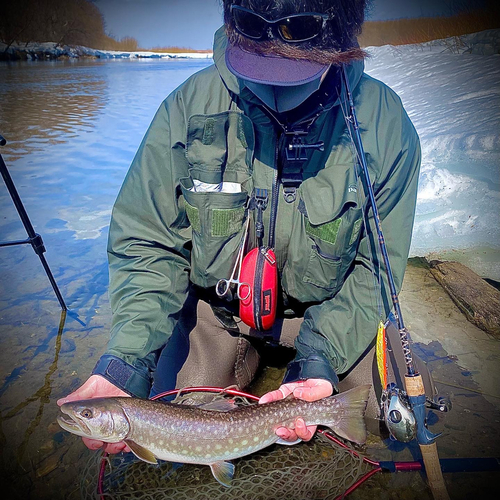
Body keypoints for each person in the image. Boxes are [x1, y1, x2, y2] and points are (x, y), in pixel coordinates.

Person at [58, 0, 421, 455]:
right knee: (179, 411)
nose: (270, 87)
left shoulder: (384, 127)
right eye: (256, 63)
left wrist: (319, 359)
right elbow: (148, 244)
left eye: (294, 71)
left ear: (340, 42)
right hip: (219, 315)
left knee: (389, 412)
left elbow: (376, 271)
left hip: (325, 312)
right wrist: (124, 363)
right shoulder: (187, 109)